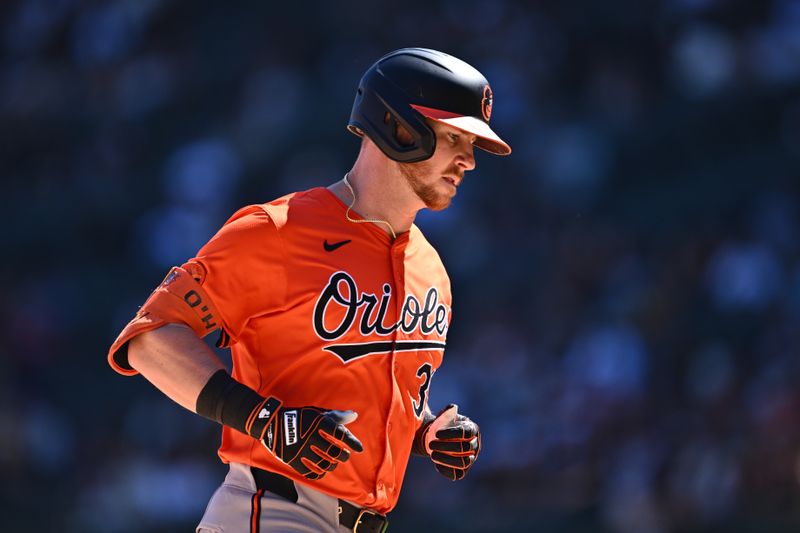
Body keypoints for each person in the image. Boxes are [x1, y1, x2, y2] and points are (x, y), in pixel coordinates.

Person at [107, 47, 511, 533]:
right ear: (398, 126)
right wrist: (260, 419)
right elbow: (151, 340)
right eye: (455, 138)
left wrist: (427, 431)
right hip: (274, 508)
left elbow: (374, 387)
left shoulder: (431, 269)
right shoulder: (276, 229)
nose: (468, 160)